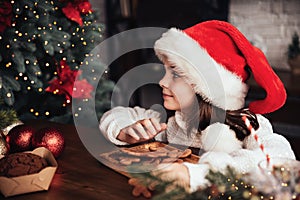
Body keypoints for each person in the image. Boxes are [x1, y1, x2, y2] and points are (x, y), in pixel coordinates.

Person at [99, 20, 295, 193]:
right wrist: (124, 131)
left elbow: (280, 157)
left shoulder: (247, 125)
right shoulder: (173, 122)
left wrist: (195, 174)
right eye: (165, 71)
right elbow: (116, 115)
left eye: (175, 74)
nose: (162, 82)